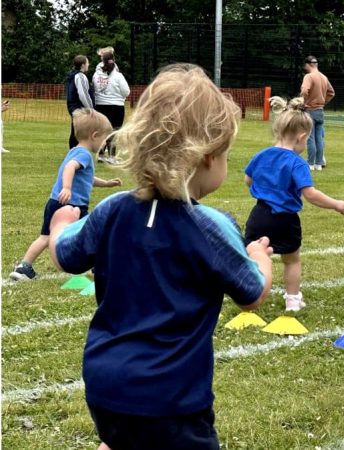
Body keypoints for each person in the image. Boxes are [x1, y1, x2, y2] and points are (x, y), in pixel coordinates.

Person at [47, 64, 273, 450]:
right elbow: (251, 293)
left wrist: (58, 225)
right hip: (172, 400)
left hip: (105, 386)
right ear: (205, 157)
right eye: (226, 155)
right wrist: (259, 257)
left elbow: (66, 255)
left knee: (123, 440)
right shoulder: (210, 225)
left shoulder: (112, 209)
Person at [244, 96, 344, 312]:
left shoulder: (261, 155)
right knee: (291, 260)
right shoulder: (297, 163)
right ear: (301, 137)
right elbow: (310, 194)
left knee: (256, 256)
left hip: (259, 214)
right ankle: (292, 300)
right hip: (285, 219)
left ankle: (250, 296)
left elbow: (248, 180)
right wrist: (335, 204)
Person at [9, 109, 121, 281]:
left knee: (46, 237)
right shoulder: (83, 154)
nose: (105, 144)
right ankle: (99, 264)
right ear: (95, 136)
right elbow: (70, 168)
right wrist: (67, 188)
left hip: (57, 202)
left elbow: (86, 178)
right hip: (71, 206)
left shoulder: (75, 151)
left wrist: (106, 183)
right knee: (93, 232)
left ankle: (24, 266)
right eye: (105, 139)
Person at [93, 50, 130, 165]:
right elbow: (126, 92)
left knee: (101, 130)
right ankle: (112, 156)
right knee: (114, 131)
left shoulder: (96, 75)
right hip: (116, 107)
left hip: (100, 105)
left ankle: (101, 155)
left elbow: (94, 88)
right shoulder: (118, 76)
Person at [301, 55, 335, 171]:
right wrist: (323, 102)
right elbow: (331, 92)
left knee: (310, 138)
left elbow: (305, 90)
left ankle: (310, 164)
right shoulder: (323, 77)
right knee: (319, 138)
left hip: (309, 110)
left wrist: (303, 101)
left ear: (309, 64)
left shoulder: (308, 76)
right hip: (320, 111)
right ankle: (318, 164)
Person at [66, 55, 94, 149]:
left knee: (75, 131)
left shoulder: (72, 75)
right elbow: (83, 94)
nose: (88, 64)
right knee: (79, 133)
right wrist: (91, 108)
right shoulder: (80, 76)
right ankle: (76, 152)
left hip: (72, 107)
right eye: (87, 63)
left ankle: (73, 152)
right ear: (82, 65)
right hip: (79, 107)